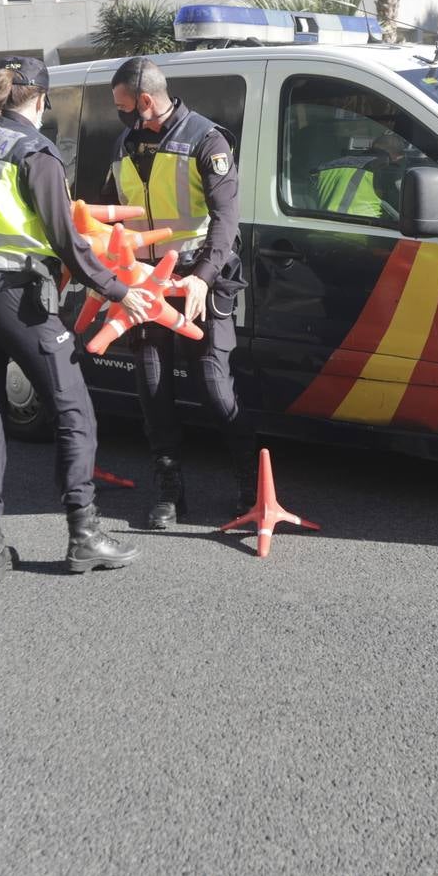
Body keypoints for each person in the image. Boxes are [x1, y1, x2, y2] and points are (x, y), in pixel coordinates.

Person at [0, 56, 153, 583]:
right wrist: (119, 289)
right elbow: (66, 240)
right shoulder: (35, 150)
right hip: (12, 292)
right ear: (40, 99)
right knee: (73, 406)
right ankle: (84, 535)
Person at [105, 56, 256, 530]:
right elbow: (115, 216)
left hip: (199, 281)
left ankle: (251, 483)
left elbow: (226, 220)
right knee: (153, 388)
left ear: (145, 101)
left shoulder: (207, 141)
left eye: (122, 104)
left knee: (214, 385)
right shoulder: (124, 144)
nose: (119, 112)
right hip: (146, 287)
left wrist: (202, 277)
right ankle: (169, 490)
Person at [313, 131, 406, 219]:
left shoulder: (327, 166)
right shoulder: (385, 167)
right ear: (398, 156)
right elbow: (405, 200)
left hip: (321, 225)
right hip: (364, 228)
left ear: (370, 146)